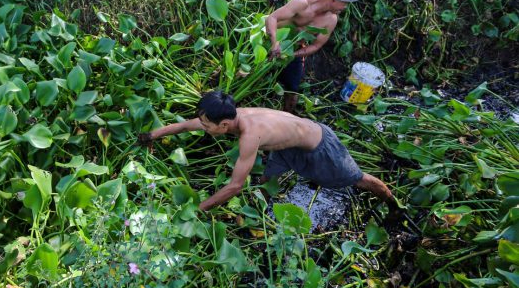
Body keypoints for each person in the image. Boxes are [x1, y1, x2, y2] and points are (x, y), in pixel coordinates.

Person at [137, 91, 394, 212]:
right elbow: (185, 125)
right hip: (286, 146)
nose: (202, 128)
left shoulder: (250, 135)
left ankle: (393, 205)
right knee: (265, 180)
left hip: (320, 147)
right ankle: (262, 211)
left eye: (206, 126)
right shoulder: (228, 116)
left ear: (223, 125)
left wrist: (198, 209)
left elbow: (235, 186)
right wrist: (151, 136)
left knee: (358, 180)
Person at [266, 0, 360, 113]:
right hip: (271, 42)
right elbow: (272, 18)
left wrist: (291, 54)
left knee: (293, 88)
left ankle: (287, 117)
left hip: (293, 50)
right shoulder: (303, 3)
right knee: (256, 75)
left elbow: (316, 46)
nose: (345, 7)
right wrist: (274, 44)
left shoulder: (331, 20)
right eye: (345, 3)